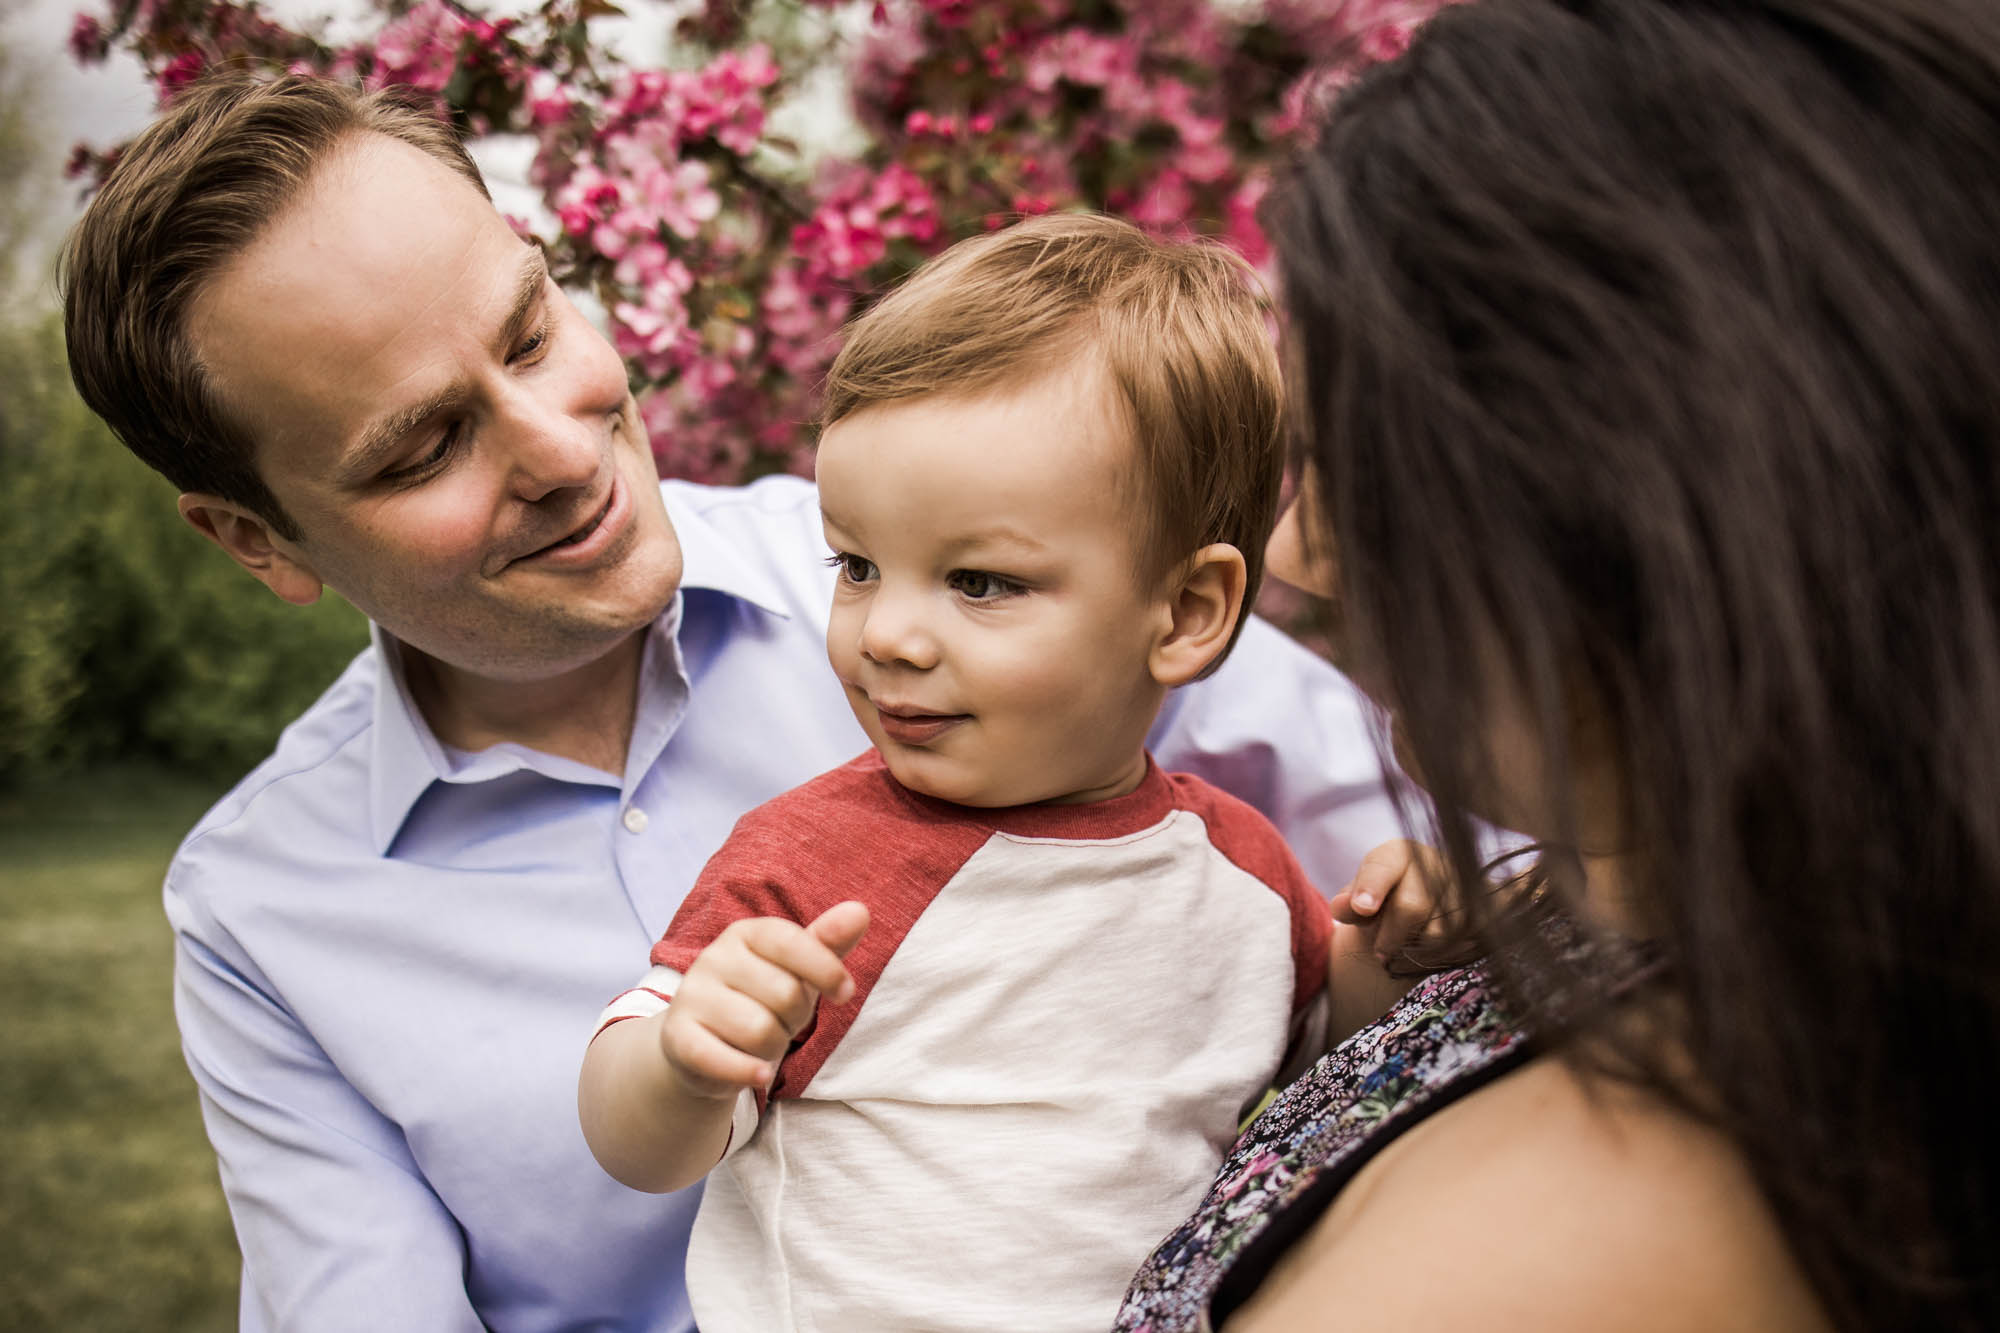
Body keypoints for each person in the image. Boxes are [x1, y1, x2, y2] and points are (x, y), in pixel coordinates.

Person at [58, 73, 1406, 1332]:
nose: (557, 446)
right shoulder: (261, 911)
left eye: (532, 334)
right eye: (426, 445)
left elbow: (1467, 902)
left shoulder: (991, 567)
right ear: (255, 539)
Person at [1116, 0, 2000, 1329]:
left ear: (1625, 499)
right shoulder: (1671, 933)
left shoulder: (1580, 1234)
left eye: (1366, 461)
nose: (1305, 549)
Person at [575, 214, 1442, 1333]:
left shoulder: (1237, 871)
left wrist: (1396, 936)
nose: (887, 633)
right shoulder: (824, 859)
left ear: (1184, 613)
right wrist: (683, 1061)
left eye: (977, 582)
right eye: (857, 566)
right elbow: (636, 1146)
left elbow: (1339, 1046)